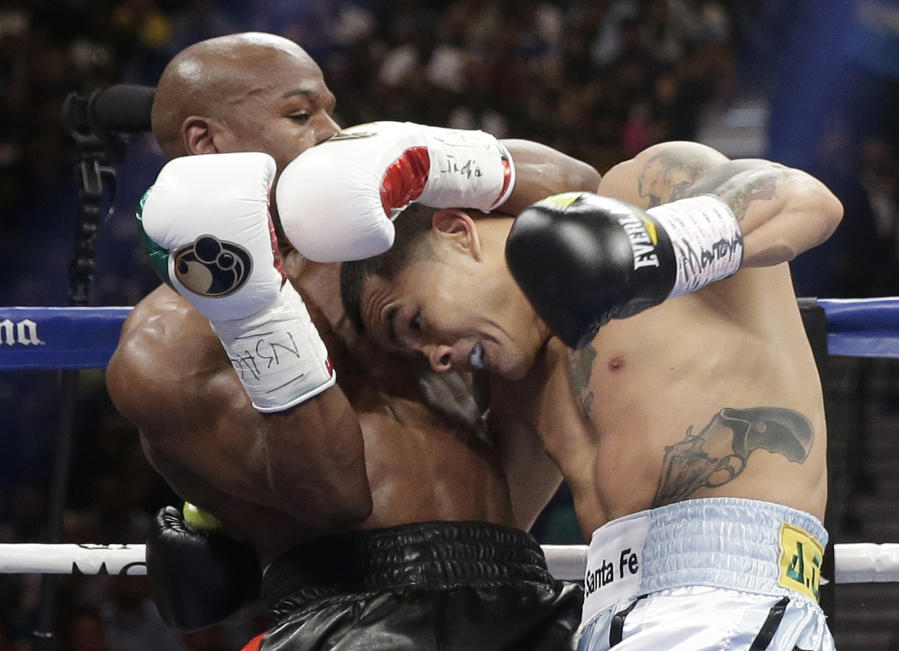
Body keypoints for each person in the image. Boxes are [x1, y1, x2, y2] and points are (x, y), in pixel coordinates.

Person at [105, 31, 601, 650]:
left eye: (329, 109)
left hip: (521, 588)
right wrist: (252, 310)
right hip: (352, 613)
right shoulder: (166, 346)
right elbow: (333, 494)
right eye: (300, 114)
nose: (333, 132)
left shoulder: (384, 234)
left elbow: (585, 195)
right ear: (208, 142)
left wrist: (424, 157)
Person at [340, 140, 844, 650]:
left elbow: (808, 202)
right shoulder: (520, 386)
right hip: (602, 618)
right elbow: (484, 534)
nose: (436, 358)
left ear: (455, 234)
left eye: (415, 321)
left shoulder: (637, 194)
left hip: (731, 599)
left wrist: (656, 249)